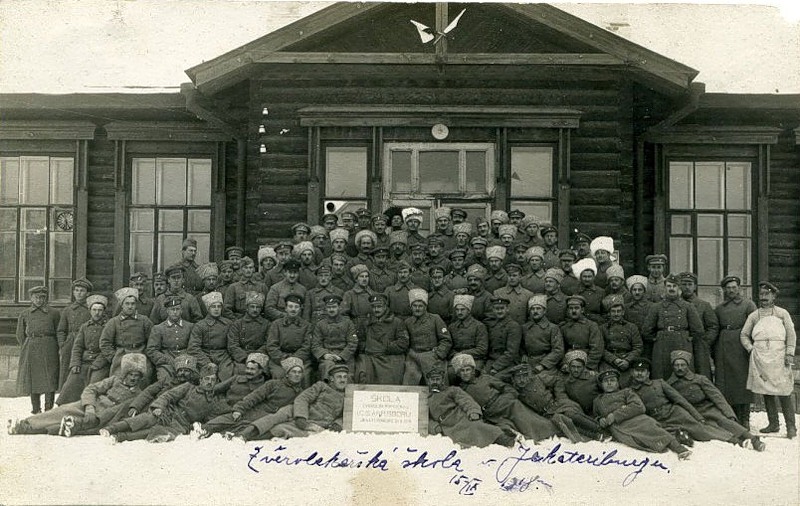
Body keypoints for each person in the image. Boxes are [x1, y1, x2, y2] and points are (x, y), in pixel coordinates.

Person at [8, 353, 147, 437]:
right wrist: (89, 406)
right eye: (130, 374)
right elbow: (91, 389)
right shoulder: (115, 380)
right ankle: (25, 422)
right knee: (61, 411)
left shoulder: (139, 394)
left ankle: (27, 429)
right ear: (125, 374)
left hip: (104, 414)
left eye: (136, 376)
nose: (133, 378)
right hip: (92, 404)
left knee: (62, 424)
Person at [100, 363, 229, 443]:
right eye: (206, 379)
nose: (209, 382)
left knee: (154, 431)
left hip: (180, 425)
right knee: (146, 419)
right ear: (200, 380)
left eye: (212, 380)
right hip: (168, 413)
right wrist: (159, 407)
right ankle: (110, 429)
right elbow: (168, 396)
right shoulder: (188, 387)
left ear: (216, 381)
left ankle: (120, 437)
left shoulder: (214, 402)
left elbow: (211, 420)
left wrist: (196, 427)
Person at [667, 350, 765, 451]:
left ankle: (753, 440)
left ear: (687, 365)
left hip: (707, 408)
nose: (680, 368)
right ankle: (737, 442)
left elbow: (717, 397)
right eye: (676, 365)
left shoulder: (699, 379)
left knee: (724, 421)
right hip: (690, 414)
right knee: (708, 430)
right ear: (673, 367)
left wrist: (729, 414)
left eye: (683, 365)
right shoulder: (669, 385)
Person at [452, 353, 557, 442]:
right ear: (458, 373)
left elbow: (504, 387)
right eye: (462, 371)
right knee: (505, 426)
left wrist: (509, 396)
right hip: (491, 413)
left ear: (473, 371)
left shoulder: (484, 378)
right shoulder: (460, 390)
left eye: (468, 370)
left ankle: (548, 431)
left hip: (505, 402)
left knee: (525, 418)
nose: (465, 373)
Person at [629, 357, 734, 446]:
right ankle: (682, 435)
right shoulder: (629, 391)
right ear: (632, 373)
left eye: (643, 371)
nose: (640, 374)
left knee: (700, 430)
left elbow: (680, 400)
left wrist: (697, 416)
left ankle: (732, 440)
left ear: (648, 373)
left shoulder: (659, 383)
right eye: (637, 371)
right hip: (658, 419)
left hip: (675, 413)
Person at [740, 281, 797, 439]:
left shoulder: (782, 313)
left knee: (784, 389)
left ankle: (791, 426)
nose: (763, 297)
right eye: (762, 294)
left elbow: (791, 334)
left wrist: (789, 353)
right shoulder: (755, 315)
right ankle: (773, 423)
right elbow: (744, 334)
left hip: (779, 355)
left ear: (773, 296)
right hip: (761, 356)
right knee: (766, 389)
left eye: (767, 294)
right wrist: (751, 349)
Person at [593, 369, 692, 460]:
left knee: (652, 427)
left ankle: (678, 448)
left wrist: (615, 415)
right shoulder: (598, 400)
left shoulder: (626, 392)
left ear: (618, 383)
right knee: (640, 442)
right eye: (606, 381)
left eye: (612, 380)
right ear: (601, 384)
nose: (609, 383)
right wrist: (600, 420)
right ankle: (674, 437)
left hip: (637, 420)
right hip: (619, 428)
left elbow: (639, 406)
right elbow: (595, 416)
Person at [202, 357, 306, 440]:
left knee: (247, 430)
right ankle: (203, 429)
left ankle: (227, 437)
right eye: (293, 372)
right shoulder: (273, 384)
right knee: (228, 419)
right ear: (287, 374)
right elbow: (254, 396)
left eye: (299, 372)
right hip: (254, 411)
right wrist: (239, 409)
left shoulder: (301, 393)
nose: (296, 375)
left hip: (268, 419)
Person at [502, 363, 602, 442]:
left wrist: (560, 396)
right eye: (518, 377)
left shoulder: (538, 378)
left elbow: (557, 380)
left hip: (557, 405)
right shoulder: (516, 391)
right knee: (561, 423)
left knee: (571, 414)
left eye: (524, 376)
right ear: (513, 379)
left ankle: (599, 428)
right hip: (545, 415)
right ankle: (595, 436)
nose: (522, 380)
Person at [425, 366, 517, 448]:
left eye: (438, 379)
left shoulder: (452, 390)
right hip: (446, 425)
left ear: (442, 380)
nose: (435, 382)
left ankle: (503, 439)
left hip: (460, 418)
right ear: (428, 381)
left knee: (478, 427)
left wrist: (473, 411)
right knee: (455, 442)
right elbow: (424, 417)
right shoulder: (425, 398)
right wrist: (434, 427)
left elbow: (466, 401)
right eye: (433, 380)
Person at [714, 275, 758, 428]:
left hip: (741, 345)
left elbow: (755, 326)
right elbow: (715, 327)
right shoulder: (720, 308)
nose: (731, 290)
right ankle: (731, 417)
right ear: (724, 290)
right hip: (723, 346)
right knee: (726, 382)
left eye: (734, 287)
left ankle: (745, 418)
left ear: (739, 288)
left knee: (742, 380)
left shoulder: (748, 305)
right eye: (728, 288)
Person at [643, 274, 704, 379]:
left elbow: (698, 329)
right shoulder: (656, 307)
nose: (672, 289)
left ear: (679, 288)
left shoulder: (688, 306)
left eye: (674, 286)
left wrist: (688, 339)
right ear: (665, 288)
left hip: (682, 343)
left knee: (683, 373)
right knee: (662, 373)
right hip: (662, 344)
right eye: (669, 286)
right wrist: (657, 338)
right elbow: (646, 329)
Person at [269, 363, 350, 438]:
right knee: (278, 426)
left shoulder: (348, 395)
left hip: (323, 426)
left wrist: (338, 424)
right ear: (332, 378)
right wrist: (301, 416)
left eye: (345, 377)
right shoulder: (321, 386)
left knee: (319, 435)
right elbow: (303, 398)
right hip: (307, 420)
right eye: (339, 377)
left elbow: (347, 414)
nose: (342, 380)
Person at [57, 294, 111, 405]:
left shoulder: (109, 326)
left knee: (93, 386)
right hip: (83, 363)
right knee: (70, 384)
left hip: (100, 365)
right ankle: (66, 410)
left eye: (100, 310)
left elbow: (109, 347)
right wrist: (75, 364)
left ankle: (89, 407)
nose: (97, 313)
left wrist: (98, 363)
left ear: (104, 311)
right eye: (94, 310)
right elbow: (78, 347)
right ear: (90, 311)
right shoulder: (85, 326)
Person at [16, 286, 61, 414]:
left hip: (49, 346)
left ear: (46, 298)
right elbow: (20, 334)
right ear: (31, 298)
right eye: (36, 297)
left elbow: (59, 331)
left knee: (50, 376)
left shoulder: (54, 313)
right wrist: (28, 346)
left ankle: (49, 409)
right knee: (33, 377)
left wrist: (56, 347)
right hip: (31, 347)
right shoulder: (25, 314)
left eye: (42, 297)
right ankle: (36, 409)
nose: (39, 300)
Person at [100, 287, 154, 382]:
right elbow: (105, 342)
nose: (130, 306)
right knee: (118, 381)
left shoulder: (144, 320)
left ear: (136, 305)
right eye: (127, 304)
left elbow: (153, 340)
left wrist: (146, 354)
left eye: (132, 304)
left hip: (140, 354)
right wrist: (113, 357)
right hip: (121, 355)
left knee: (143, 380)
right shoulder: (114, 322)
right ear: (122, 305)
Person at [403, 288, 452, 385]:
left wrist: (438, 353)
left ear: (425, 307)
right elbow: (404, 342)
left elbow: (446, 340)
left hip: (432, 356)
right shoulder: (407, 322)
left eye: (420, 306)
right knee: (410, 381)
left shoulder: (435, 319)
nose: (417, 309)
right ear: (411, 307)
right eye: (415, 306)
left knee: (436, 382)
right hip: (414, 358)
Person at [359, 293, 409, 385]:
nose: (376, 310)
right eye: (374, 307)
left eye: (379, 306)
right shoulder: (366, 323)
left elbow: (403, 343)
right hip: (371, 357)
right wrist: (369, 346)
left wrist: (386, 346)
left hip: (389, 356)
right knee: (363, 373)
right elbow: (361, 341)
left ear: (385, 306)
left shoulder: (397, 322)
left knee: (391, 375)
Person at [265, 294, 312, 385]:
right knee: (279, 374)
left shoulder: (307, 325)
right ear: (285, 308)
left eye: (296, 307)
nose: (293, 309)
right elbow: (271, 345)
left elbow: (307, 346)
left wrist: (296, 359)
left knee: (304, 374)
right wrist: (284, 358)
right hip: (280, 360)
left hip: (301, 359)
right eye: (290, 306)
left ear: (300, 309)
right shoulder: (276, 324)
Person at [187, 292, 235, 381]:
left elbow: (233, 344)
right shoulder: (200, 325)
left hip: (224, 357)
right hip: (205, 355)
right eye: (213, 306)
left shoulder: (228, 324)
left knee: (226, 376)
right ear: (208, 308)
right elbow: (193, 348)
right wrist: (206, 362)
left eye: (219, 306)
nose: (216, 309)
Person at [679, 272, 719, 379]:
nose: (687, 287)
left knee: (701, 373)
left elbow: (713, 326)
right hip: (681, 344)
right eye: (684, 284)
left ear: (695, 286)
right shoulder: (676, 304)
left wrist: (705, 342)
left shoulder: (704, 305)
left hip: (698, 347)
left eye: (690, 284)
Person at [145, 297, 195, 382]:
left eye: (177, 309)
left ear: (181, 310)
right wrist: (166, 360)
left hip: (186, 360)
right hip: (166, 362)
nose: (175, 312)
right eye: (172, 309)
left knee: (193, 379)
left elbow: (194, 347)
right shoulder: (158, 328)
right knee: (166, 380)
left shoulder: (190, 327)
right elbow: (151, 350)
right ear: (167, 311)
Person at [56, 277, 93, 389]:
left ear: (87, 293)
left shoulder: (91, 309)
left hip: (86, 343)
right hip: (70, 344)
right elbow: (61, 330)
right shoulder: (68, 310)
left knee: (84, 371)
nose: (79, 293)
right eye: (76, 290)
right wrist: (63, 344)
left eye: (82, 291)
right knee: (67, 371)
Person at [311, 295, 358, 380]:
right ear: (325, 308)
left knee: (348, 377)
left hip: (345, 358)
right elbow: (315, 344)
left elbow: (353, 342)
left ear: (339, 307)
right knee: (327, 371)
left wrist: (341, 356)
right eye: (329, 307)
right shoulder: (320, 324)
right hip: (328, 357)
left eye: (334, 307)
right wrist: (325, 355)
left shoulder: (348, 323)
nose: (331, 309)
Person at [599, 294, 642, 386]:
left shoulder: (632, 327)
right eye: (613, 311)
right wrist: (614, 359)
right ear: (609, 313)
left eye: (619, 311)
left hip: (627, 361)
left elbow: (638, 347)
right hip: (609, 362)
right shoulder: (603, 328)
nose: (616, 314)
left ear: (623, 312)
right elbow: (601, 348)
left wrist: (627, 360)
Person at [446, 295, 488, 382]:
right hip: (456, 358)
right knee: (449, 373)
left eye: (462, 309)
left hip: (475, 359)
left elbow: (482, 349)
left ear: (468, 310)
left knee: (471, 374)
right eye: (457, 310)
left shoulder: (479, 326)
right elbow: (449, 346)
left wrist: (462, 353)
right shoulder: (452, 327)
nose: (459, 312)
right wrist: (455, 355)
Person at [226, 291, 270, 373]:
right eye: (252, 306)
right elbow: (232, 345)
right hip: (242, 357)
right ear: (247, 308)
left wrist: (256, 357)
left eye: (258, 307)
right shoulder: (237, 324)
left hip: (260, 357)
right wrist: (245, 358)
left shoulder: (267, 324)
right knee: (238, 371)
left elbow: (268, 343)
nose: (255, 309)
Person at [521, 294, 564, 373]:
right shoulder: (525, 327)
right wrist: (523, 355)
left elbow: (558, 350)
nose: (535, 311)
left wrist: (543, 365)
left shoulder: (553, 328)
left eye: (538, 308)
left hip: (546, 364)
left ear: (544, 311)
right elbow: (521, 347)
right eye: (532, 309)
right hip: (528, 363)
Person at [560, 295, 604, 372]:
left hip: (587, 362)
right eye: (571, 308)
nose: (573, 311)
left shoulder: (592, 326)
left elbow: (597, 349)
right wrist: (563, 363)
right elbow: (560, 349)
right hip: (569, 362)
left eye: (576, 308)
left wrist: (588, 366)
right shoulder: (564, 327)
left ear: (582, 310)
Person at [483, 297, 522, 376]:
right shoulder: (490, 325)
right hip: (492, 360)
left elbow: (512, 353)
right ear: (493, 310)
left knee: (496, 379)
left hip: (508, 362)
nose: (499, 311)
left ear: (507, 309)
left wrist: (496, 367)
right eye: (497, 309)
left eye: (502, 308)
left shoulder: (513, 326)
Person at [561, 350, 600, 415]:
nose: (576, 370)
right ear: (569, 367)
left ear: (584, 367)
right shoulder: (565, 380)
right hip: (577, 412)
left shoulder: (593, 377)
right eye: (573, 367)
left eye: (579, 367)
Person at [624, 275, 653, 360]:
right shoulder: (626, 308)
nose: (637, 292)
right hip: (631, 344)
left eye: (640, 290)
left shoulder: (652, 307)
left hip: (647, 343)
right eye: (634, 290)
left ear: (644, 291)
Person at [572, 258, 604, 322]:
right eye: (584, 276)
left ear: (594, 277)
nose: (587, 279)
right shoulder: (575, 291)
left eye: (589, 276)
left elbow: (604, 312)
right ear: (580, 277)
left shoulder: (601, 292)